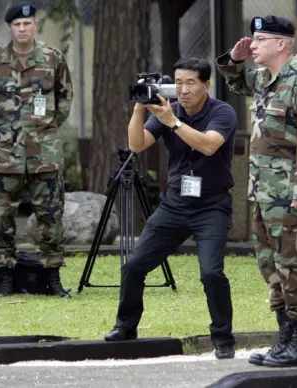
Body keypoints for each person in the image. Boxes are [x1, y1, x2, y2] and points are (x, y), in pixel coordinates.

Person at [104, 57, 237, 360]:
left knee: (210, 272)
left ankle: (223, 338)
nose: (184, 89)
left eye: (190, 82)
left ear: (206, 84)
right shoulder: (168, 110)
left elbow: (208, 145)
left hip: (212, 204)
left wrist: (172, 123)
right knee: (134, 265)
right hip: (176, 201)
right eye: (178, 83)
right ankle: (126, 327)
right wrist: (140, 108)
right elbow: (137, 145)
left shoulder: (222, 112)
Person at [216, 15, 297, 367]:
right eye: (253, 38)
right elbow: (236, 82)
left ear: (282, 44)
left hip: (290, 195)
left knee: (293, 265)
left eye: (261, 39)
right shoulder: (265, 79)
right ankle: (285, 339)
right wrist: (235, 60)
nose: (254, 44)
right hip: (263, 193)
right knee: (271, 266)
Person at [0, 2, 73, 297]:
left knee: (51, 217)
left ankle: (52, 277)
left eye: (27, 23)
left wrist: (43, 130)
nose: (22, 28)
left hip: (44, 153)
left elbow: (64, 98)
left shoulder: (52, 58)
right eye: (17, 25)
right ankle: (5, 276)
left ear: (34, 25)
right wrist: (2, 132)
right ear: (10, 27)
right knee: (1, 219)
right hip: (4, 155)